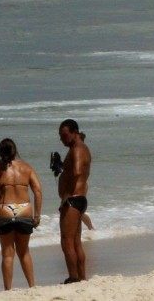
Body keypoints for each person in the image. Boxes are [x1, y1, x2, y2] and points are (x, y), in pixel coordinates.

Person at [0, 138, 43, 290]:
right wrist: (37, 215)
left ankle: (8, 290)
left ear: (0, 152)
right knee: (24, 252)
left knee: (7, 254)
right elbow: (37, 191)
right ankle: (32, 286)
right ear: (15, 151)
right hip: (24, 209)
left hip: (4, 209)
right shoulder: (26, 167)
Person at [57, 119, 92, 283]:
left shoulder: (77, 149)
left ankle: (73, 277)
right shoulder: (81, 148)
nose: (62, 139)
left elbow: (76, 172)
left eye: (64, 135)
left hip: (72, 199)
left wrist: (65, 195)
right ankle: (81, 276)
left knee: (67, 241)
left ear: (74, 132)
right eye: (60, 136)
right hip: (79, 198)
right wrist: (61, 168)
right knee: (76, 241)